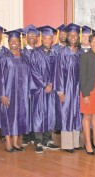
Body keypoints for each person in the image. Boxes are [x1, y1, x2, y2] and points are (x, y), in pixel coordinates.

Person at [0, 29, 30, 152]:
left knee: (19, 116)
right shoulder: (3, 57)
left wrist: (27, 92)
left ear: (20, 43)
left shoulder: (24, 57)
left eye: (16, 40)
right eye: (11, 40)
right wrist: (2, 94)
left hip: (21, 93)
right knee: (8, 117)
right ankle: (8, 143)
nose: (14, 42)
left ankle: (15, 142)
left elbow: (28, 75)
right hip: (8, 93)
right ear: (8, 43)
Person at [54, 23, 84, 153]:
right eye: (71, 35)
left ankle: (76, 143)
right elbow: (58, 72)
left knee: (77, 114)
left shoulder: (81, 52)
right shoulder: (62, 52)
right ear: (67, 37)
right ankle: (67, 144)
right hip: (66, 88)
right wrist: (60, 91)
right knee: (67, 114)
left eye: (75, 35)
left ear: (78, 37)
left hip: (79, 89)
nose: (73, 37)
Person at [30, 25, 60, 153]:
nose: (47, 41)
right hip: (39, 89)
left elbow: (58, 70)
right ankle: (38, 141)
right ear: (42, 39)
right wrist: (44, 85)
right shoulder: (35, 53)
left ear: (52, 40)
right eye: (45, 38)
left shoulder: (55, 52)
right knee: (39, 114)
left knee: (50, 113)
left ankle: (48, 139)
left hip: (52, 89)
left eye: (50, 38)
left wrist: (52, 84)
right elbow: (33, 71)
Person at [21, 24, 39, 146]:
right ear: (26, 37)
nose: (32, 37)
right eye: (30, 35)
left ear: (37, 37)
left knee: (36, 111)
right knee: (26, 111)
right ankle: (26, 136)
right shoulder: (21, 53)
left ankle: (34, 134)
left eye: (34, 35)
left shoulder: (39, 52)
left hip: (37, 88)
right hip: (25, 86)